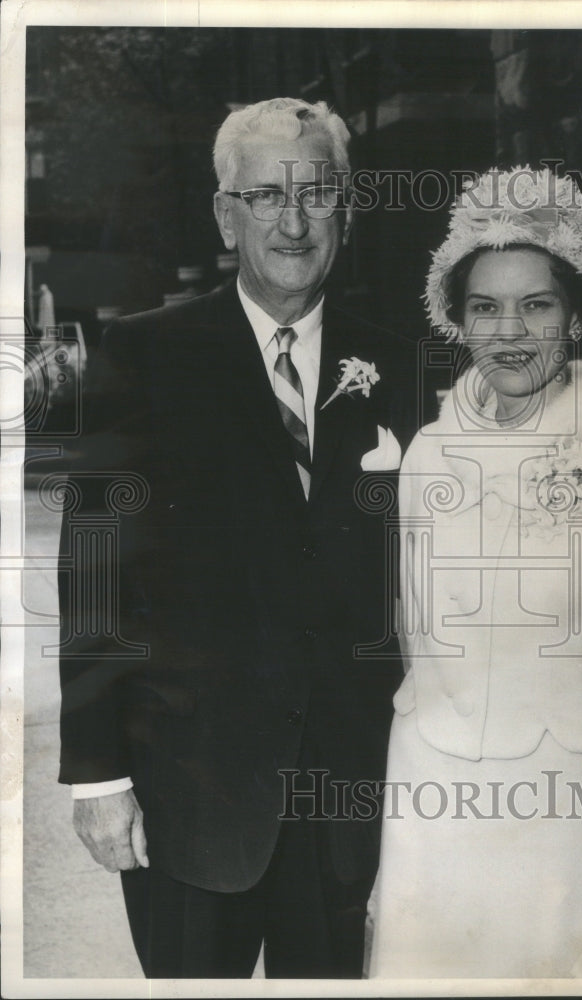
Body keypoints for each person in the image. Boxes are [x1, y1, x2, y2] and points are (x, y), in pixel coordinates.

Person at [57, 97, 420, 979]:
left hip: (346, 791)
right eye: (266, 197)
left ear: (347, 206)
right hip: (192, 791)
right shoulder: (141, 357)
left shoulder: (402, 362)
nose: (294, 223)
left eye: (317, 195)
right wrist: (98, 774)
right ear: (227, 212)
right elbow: (93, 573)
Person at [368, 165, 582, 979]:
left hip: (565, 823)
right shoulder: (424, 456)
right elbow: (418, 655)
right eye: (485, 307)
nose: (509, 332)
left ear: (579, 315)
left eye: (538, 304)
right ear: (456, 321)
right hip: (429, 814)